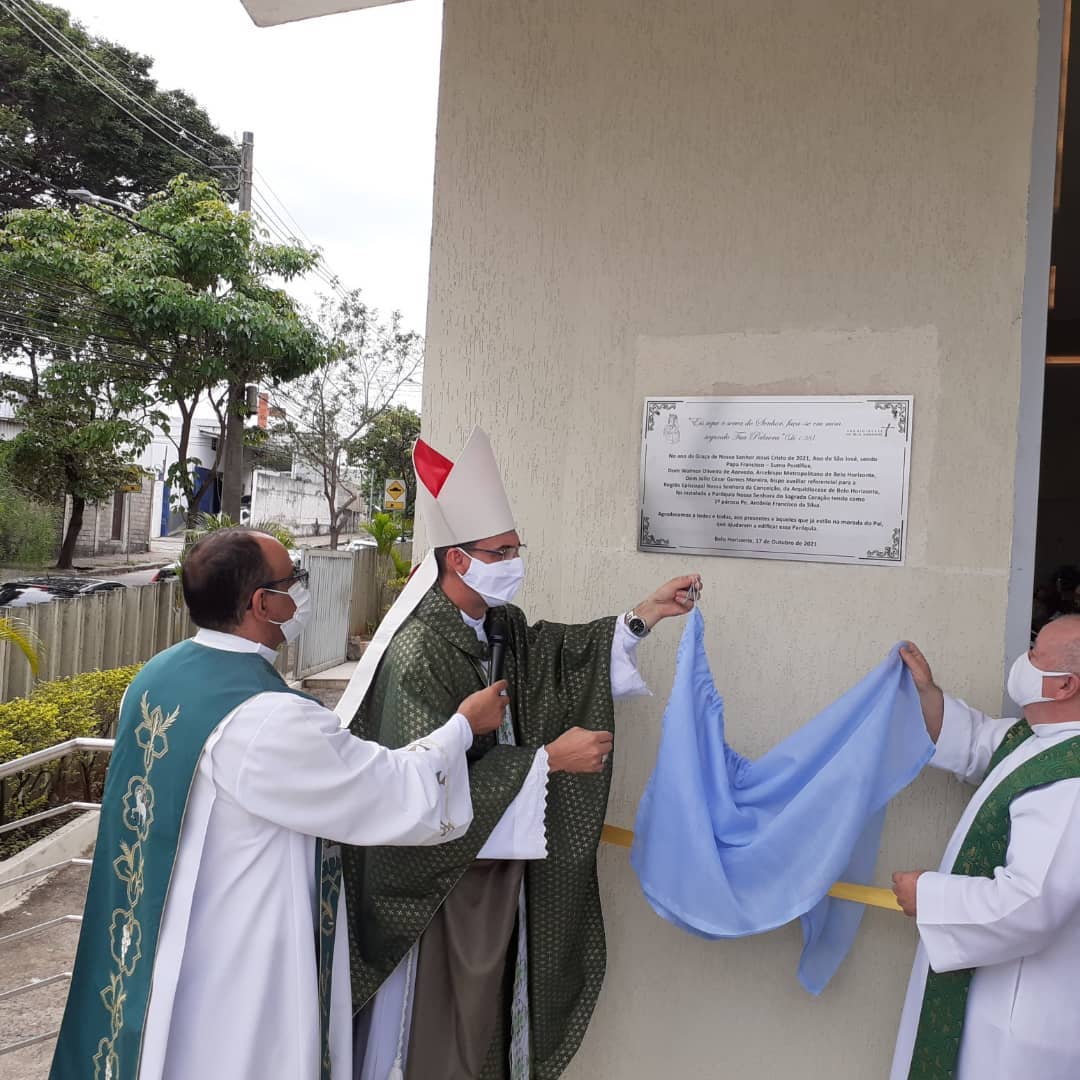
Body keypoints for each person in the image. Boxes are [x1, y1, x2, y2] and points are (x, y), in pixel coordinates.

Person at [50, 527, 508, 1080]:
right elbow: (387, 790)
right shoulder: (269, 717)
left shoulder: (156, 676)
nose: (301, 595)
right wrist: (462, 727)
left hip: (158, 943)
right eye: (294, 582)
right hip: (241, 961)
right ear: (264, 604)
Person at [339, 427, 701, 1080]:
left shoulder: (496, 624)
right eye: (500, 551)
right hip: (437, 892)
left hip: (495, 874)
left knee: (484, 1031)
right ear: (456, 560)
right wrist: (547, 763)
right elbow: (418, 790)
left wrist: (644, 615)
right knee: (436, 1039)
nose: (514, 560)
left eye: (515, 548)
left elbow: (559, 658)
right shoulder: (419, 653)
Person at [889, 620, 1080, 1080]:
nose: (1024, 658)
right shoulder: (1040, 739)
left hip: (1024, 1017)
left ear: (1065, 686)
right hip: (993, 995)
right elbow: (976, 743)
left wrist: (929, 896)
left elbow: (1031, 903)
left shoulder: (1072, 780)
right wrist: (928, 694)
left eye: (1035, 652)